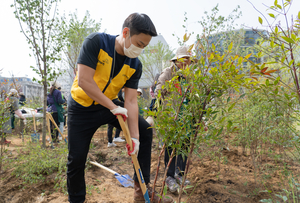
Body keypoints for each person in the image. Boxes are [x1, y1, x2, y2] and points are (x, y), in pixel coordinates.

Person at [67, 13, 173, 203]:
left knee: (145, 129)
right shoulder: (96, 43)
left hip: (107, 105)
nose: (140, 50)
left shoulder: (135, 64)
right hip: (82, 107)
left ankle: (141, 191)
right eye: (139, 44)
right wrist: (113, 107)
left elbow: (131, 101)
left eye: (144, 47)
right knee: (76, 159)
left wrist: (135, 137)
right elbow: (84, 80)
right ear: (126, 32)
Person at [155, 46, 192, 194]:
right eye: (183, 60)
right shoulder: (168, 73)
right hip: (171, 116)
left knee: (184, 145)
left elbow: (193, 96)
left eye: (188, 60)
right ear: (177, 60)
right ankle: (169, 177)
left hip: (186, 117)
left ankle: (180, 174)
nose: (186, 63)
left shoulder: (189, 76)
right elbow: (158, 92)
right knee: (171, 147)